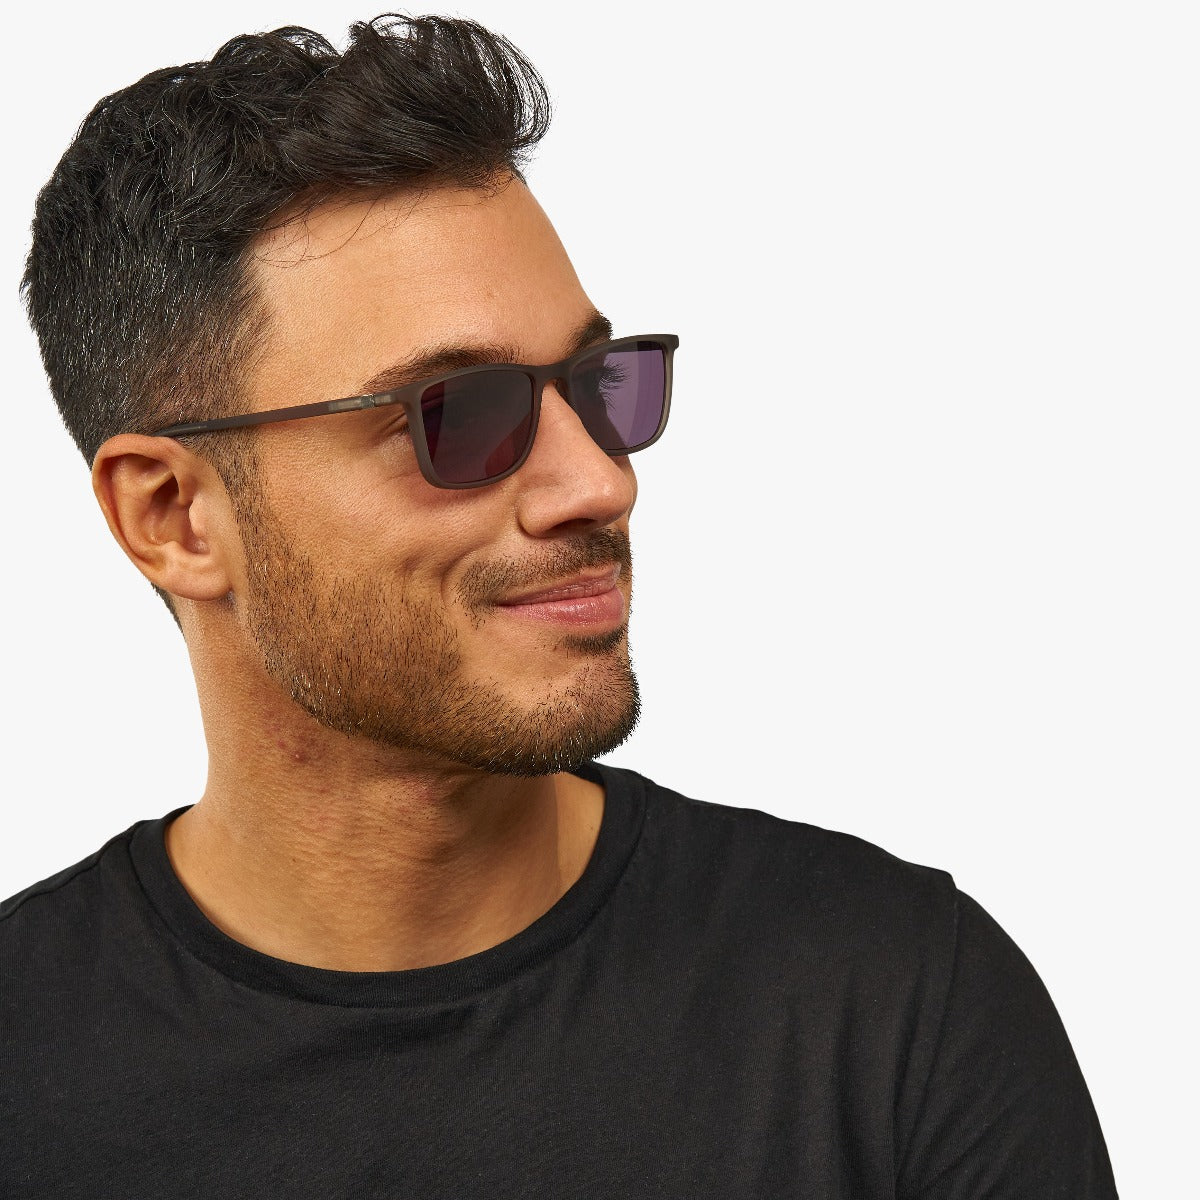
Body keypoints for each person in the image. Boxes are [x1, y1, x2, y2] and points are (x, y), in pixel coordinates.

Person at [2, 14, 1118, 1197]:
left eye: (596, 384)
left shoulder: (895, 1011)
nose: (599, 482)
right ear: (174, 516)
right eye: (457, 415)